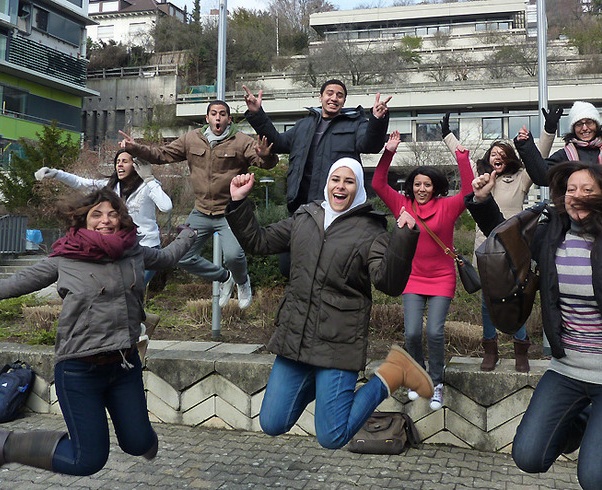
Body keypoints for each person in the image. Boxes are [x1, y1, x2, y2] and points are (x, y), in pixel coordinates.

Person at [465, 161, 602, 490]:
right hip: (566, 371)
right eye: (570, 189)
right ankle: (590, 418)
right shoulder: (548, 231)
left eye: (587, 189)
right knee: (529, 456)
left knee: (598, 480)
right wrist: (483, 201)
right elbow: (507, 243)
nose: (577, 196)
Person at [0, 188, 197, 489]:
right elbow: (10, 286)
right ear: (82, 220)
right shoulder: (64, 259)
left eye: (112, 214)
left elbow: (168, 257)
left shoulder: (134, 252)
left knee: (139, 442)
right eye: (97, 215)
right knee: (87, 459)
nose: (106, 221)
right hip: (79, 370)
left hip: (124, 366)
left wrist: (187, 234)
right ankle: (2, 446)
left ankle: (139, 435)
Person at [225, 158, 433, 450]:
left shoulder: (370, 231)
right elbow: (258, 242)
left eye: (349, 181)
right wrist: (238, 203)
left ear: (358, 188)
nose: (341, 186)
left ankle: (393, 372)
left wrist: (404, 238)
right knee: (272, 423)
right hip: (295, 339)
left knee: (332, 436)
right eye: (336, 179)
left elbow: (389, 283)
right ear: (327, 183)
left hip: (338, 343)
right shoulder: (305, 218)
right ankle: (322, 384)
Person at [118, 100, 278, 309]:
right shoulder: (192, 139)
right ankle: (224, 277)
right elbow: (162, 154)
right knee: (181, 256)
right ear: (207, 118)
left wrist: (267, 156)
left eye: (222, 114)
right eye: (214, 113)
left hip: (229, 212)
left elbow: (264, 163)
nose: (218, 117)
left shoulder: (241, 141)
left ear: (229, 119)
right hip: (201, 211)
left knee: (234, 255)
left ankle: (242, 281)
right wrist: (135, 148)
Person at [442, 110, 561, 372]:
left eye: (502, 153)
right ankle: (490, 350)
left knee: (516, 298)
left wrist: (549, 129)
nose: (497, 156)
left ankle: (521, 350)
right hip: (486, 253)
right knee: (488, 302)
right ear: (488, 158)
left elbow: (538, 157)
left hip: (514, 252)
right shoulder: (480, 178)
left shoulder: (520, 179)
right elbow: (460, 155)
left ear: (509, 159)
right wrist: (447, 135)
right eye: (493, 153)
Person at [372, 130, 474, 410]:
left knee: (435, 333)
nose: (421, 189)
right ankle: (419, 378)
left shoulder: (448, 207)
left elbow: (468, 191)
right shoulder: (402, 205)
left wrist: (462, 157)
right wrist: (388, 152)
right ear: (411, 187)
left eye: (427, 184)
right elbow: (378, 183)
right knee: (413, 333)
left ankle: (437, 382)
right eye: (417, 184)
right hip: (412, 278)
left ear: (435, 187)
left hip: (442, 278)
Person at [242, 80, 391, 214]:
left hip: (336, 204)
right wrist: (257, 113)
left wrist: (377, 119)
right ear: (320, 97)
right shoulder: (303, 125)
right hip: (300, 205)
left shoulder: (356, 124)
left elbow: (371, 145)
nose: (334, 98)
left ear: (344, 101)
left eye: (339, 96)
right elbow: (278, 143)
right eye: (329, 93)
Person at [35, 149, 172, 284]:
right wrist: (56, 174)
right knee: (119, 291)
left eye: (125, 161)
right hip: (122, 247)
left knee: (132, 289)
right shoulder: (111, 187)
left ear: (136, 165)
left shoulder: (148, 187)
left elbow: (166, 207)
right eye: (117, 161)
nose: (119, 165)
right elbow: (81, 183)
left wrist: (149, 179)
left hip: (147, 247)